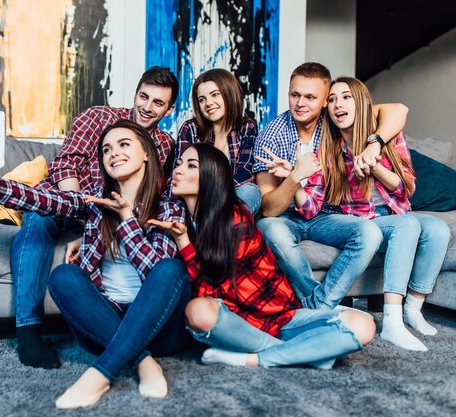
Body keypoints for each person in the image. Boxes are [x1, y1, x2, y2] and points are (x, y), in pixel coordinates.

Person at [0, 120, 191, 408]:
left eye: (124, 145)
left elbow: (156, 275)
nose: (113, 153)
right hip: (102, 326)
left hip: (160, 330)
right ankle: (143, 361)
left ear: (147, 153)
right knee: (64, 275)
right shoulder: (94, 204)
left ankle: (100, 374)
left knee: (171, 270)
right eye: (106, 149)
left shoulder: (169, 207)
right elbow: (39, 199)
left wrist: (127, 221)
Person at [10, 66, 179, 369]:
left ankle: (123, 343)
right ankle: (28, 330)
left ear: (169, 109)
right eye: (144, 97)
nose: (147, 107)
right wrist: (84, 210)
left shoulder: (164, 145)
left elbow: (147, 197)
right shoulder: (98, 117)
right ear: (136, 93)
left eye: (158, 103)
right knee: (39, 218)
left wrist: (98, 226)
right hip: (69, 197)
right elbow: (65, 165)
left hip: (106, 216)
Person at [150, 143, 375, 368]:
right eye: (179, 164)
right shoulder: (180, 222)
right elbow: (204, 298)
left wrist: (185, 246)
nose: (178, 170)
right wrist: (183, 241)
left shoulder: (233, 218)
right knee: (197, 311)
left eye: (191, 166)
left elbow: (215, 289)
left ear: (212, 176)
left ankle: (255, 359)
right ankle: (305, 353)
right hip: (237, 325)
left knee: (363, 325)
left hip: (281, 318)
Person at [294, 77, 450, 351]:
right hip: (363, 221)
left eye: (345, 97)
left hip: (394, 212)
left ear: (363, 104)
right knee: (407, 225)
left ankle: (412, 309)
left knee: (439, 229)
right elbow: (319, 204)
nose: (337, 104)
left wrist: (374, 164)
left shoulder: (387, 138)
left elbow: (407, 188)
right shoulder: (329, 149)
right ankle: (391, 321)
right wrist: (297, 178)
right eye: (331, 100)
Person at [252, 62, 410, 309]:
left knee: (369, 232)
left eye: (310, 97)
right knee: (269, 229)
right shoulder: (271, 136)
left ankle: (318, 306)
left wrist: (374, 145)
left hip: (326, 215)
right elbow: (269, 209)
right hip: (286, 217)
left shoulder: (336, 120)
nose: (300, 103)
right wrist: (294, 177)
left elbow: (398, 110)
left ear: (326, 100)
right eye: (295, 95)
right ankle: (322, 304)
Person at [171, 68, 260, 214]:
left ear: (229, 93)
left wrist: (217, 194)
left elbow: (246, 172)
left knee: (250, 192)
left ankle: (218, 224)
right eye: (202, 99)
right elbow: (179, 172)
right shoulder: (191, 128)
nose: (208, 103)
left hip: (232, 198)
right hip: (198, 199)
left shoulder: (246, 128)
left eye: (215, 95)